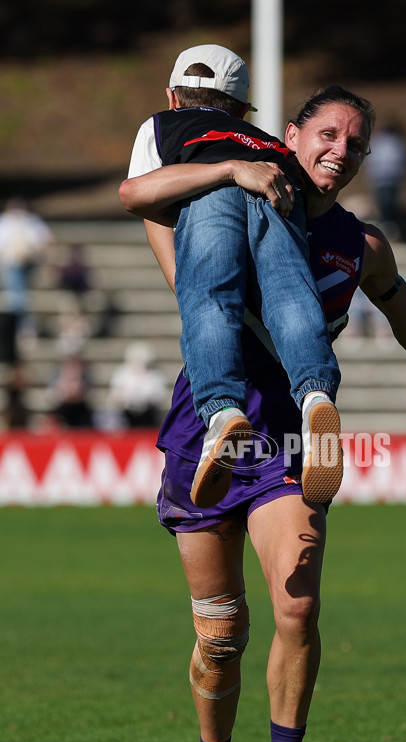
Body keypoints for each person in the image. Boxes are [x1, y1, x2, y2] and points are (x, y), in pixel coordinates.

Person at [122, 85, 406, 742]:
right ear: (289, 134)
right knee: (220, 634)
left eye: (356, 144)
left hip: (296, 437)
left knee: (297, 605)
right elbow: (140, 194)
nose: (341, 151)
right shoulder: (224, 200)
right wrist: (224, 166)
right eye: (327, 134)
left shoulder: (362, 246)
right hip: (208, 426)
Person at [121, 45, 343, 509]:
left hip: (211, 192)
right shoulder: (270, 144)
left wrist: (224, 172)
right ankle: (317, 398)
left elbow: (135, 194)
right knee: (291, 296)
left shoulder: (162, 125)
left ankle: (223, 413)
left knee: (210, 301)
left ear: (173, 97)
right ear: (243, 110)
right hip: (276, 185)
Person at [0, 197, 52, 333]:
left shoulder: (32, 221)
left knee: (19, 295)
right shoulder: (4, 222)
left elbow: (44, 241)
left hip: (30, 263)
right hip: (10, 264)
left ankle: (21, 324)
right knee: (18, 296)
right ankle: (20, 324)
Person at [363, 118, 406, 240]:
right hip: (387, 179)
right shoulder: (393, 142)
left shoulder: (381, 141)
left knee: (388, 205)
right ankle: (387, 228)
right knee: (387, 205)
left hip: (385, 179)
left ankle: (389, 228)